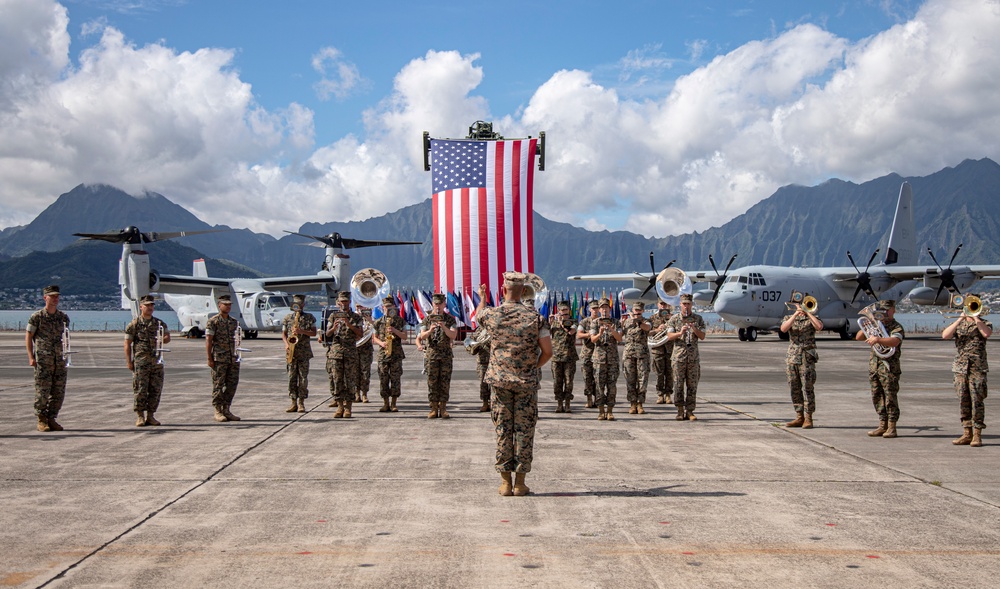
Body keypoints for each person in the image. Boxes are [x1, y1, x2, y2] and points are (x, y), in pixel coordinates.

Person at [477, 275, 552, 497]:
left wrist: (482, 297)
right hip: (526, 383)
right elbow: (548, 352)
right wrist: (532, 368)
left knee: (503, 430)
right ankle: (520, 483)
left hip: (500, 382)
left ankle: (504, 483)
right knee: (524, 431)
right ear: (524, 291)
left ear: (503, 290)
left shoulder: (492, 314)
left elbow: (478, 314)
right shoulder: (536, 318)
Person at [942, 298, 992, 447]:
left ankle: (977, 434)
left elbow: (987, 334)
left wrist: (976, 317)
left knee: (977, 400)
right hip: (961, 367)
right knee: (963, 400)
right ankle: (966, 432)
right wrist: (960, 319)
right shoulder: (960, 324)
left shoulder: (984, 323)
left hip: (977, 366)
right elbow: (945, 335)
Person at [856, 299, 904, 438]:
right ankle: (882, 424)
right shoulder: (877, 325)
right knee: (877, 395)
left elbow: (895, 341)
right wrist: (869, 324)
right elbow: (859, 337)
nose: (883, 312)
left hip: (889, 367)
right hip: (875, 366)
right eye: (880, 310)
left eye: (886, 310)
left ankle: (892, 427)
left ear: (892, 310)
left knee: (890, 397)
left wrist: (878, 339)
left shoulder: (896, 326)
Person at [25, 284, 70, 432]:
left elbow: (66, 337)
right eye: (52, 296)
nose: (55, 299)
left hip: (60, 360)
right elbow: (29, 336)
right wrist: (31, 357)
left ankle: (52, 418)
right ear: (45, 298)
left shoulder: (63, 318)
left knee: (58, 392)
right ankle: (41, 419)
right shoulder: (37, 317)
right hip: (44, 361)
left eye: (57, 296)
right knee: (42, 392)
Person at [124, 295, 171, 427]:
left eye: (152, 305)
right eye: (147, 305)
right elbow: (127, 344)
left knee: (155, 389)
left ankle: (151, 415)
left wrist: (163, 338)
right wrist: (129, 361)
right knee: (140, 389)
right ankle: (140, 415)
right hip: (141, 361)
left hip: (156, 362)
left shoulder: (159, 323)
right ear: (141, 307)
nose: (150, 308)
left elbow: (167, 338)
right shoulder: (135, 324)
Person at [779, 295, 823, 428]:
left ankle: (808, 417)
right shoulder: (789, 318)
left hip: (806, 357)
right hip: (792, 357)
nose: (801, 306)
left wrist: (808, 313)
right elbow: (783, 329)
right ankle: (799, 416)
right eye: (799, 304)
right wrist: (795, 315)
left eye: (803, 304)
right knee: (794, 387)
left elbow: (819, 327)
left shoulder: (812, 319)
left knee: (807, 387)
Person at [415, 293, 458, 418]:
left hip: (445, 356)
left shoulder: (450, 319)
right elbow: (422, 336)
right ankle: (433, 408)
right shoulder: (427, 319)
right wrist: (430, 330)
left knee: (444, 382)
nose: (438, 306)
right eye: (435, 304)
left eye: (440, 304)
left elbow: (453, 335)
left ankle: (443, 408)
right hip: (432, 355)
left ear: (444, 304)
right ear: (433, 304)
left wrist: (444, 327)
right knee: (432, 382)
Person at [666, 293, 706, 421]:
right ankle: (679, 410)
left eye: (688, 304)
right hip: (679, 357)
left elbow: (702, 336)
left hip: (693, 358)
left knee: (692, 384)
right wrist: (680, 332)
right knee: (678, 384)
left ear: (691, 305)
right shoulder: (674, 319)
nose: (686, 306)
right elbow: (669, 336)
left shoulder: (698, 319)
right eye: (684, 304)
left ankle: (690, 410)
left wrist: (694, 328)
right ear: (680, 305)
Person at [325, 291, 363, 418]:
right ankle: (340, 406)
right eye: (341, 301)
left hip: (350, 353)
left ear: (349, 302)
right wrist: (333, 328)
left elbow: (360, 334)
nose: (344, 303)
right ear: (338, 302)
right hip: (336, 352)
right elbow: (327, 334)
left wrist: (348, 324)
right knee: (337, 380)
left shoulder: (356, 317)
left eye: (346, 301)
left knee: (350, 380)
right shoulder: (333, 316)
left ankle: (348, 408)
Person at [206, 294, 242, 422]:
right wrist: (209, 358)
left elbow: (237, 339)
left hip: (232, 358)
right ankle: (218, 410)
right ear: (219, 305)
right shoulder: (213, 321)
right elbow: (209, 341)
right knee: (218, 384)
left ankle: (226, 409)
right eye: (225, 304)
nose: (228, 306)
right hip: (219, 358)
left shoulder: (234, 322)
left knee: (232, 384)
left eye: (229, 304)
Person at [282, 294, 317, 413]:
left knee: (303, 378)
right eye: (296, 304)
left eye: (300, 304)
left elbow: (314, 333)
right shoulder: (287, 318)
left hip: (304, 352)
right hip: (292, 352)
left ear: (303, 305)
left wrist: (301, 331)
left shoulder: (309, 317)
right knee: (291, 378)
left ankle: (301, 402)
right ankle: (293, 402)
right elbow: (284, 334)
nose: (298, 307)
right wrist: (287, 344)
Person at [589, 297, 622, 421]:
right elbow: (593, 339)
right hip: (599, 359)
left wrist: (612, 329)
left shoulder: (616, 322)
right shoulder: (595, 323)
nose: (604, 310)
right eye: (602, 308)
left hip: (612, 359)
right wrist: (600, 333)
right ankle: (601, 410)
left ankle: (610, 411)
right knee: (599, 386)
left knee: (612, 385)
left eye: (606, 307)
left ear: (609, 309)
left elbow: (619, 339)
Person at [372, 296, 407, 412]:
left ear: (394, 307)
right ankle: (385, 403)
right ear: (383, 308)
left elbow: (405, 336)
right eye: (385, 307)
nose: (387, 309)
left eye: (389, 307)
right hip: (383, 354)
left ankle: (394, 403)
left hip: (396, 354)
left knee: (395, 378)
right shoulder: (378, 322)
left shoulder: (400, 321)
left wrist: (395, 331)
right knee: (383, 378)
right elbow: (374, 338)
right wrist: (381, 343)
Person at [622, 301, 652, 415]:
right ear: (633, 310)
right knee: (630, 380)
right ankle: (632, 403)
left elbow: (647, 328)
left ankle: (640, 403)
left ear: (642, 311)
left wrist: (638, 322)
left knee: (642, 380)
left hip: (642, 355)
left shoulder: (646, 321)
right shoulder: (626, 322)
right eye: (636, 310)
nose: (637, 312)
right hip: (629, 355)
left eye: (639, 310)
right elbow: (621, 335)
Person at [549, 301, 578, 413]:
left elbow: (571, 332)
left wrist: (562, 323)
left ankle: (567, 403)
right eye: (562, 314)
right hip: (556, 356)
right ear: (558, 312)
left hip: (569, 356)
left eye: (566, 314)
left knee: (569, 381)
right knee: (557, 381)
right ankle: (559, 403)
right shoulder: (554, 323)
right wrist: (550, 323)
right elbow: (546, 334)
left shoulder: (573, 321)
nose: (564, 316)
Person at [649, 300, 674, 404]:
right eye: (661, 304)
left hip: (670, 349)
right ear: (657, 304)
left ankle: (668, 394)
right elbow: (646, 332)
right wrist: (657, 330)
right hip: (657, 349)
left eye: (665, 304)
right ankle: (660, 394)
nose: (663, 306)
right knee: (659, 373)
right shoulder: (652, 318)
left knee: (670, 373)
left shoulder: (673, 318)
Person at [576, 301, 600, 408]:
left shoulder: (602, 321)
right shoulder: (584, 322)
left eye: (597, 308)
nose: (595, 310)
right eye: (593, 308)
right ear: (590, 309)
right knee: (587, 377)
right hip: (587, 353)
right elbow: (579, 335)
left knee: (598, 377)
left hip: (600, 354)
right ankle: (589, 398)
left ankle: (597, 399)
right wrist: (589, 335)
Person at [467, 323, 493, 412]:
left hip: (494, 360)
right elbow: (472, 343)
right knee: (483, 383)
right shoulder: (479, 330)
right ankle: (485, 403)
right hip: (482, 361)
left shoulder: (494, 327)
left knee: (494, 383)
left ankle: (494, 403)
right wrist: (471, 345)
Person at [355, 306, 375, 403]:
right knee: (354, 372)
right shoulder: (353, 317)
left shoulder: (370, 319)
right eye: (358, 307)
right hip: (354, 349)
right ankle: (356, 393)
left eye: (362, 307)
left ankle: (364, 394)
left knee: (365, 372)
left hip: (366, 350)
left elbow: (379, 329)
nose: (360, 309)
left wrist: (370, 321)